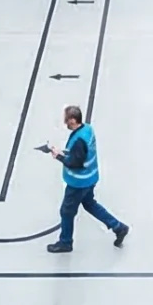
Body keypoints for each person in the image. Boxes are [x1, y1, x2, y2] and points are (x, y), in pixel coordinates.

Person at [43, 104, 127, 254]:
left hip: (78, 183)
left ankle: (65, 242)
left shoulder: (79, 140)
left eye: (66, 119)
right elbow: (80, 153)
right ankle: (118, 227)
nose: (65, 122)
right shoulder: (87, 129)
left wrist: (59, 156)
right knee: (90, 204)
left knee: (66, 212)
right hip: (90, 178)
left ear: (73, 120)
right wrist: (65, 152)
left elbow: (76, 163)